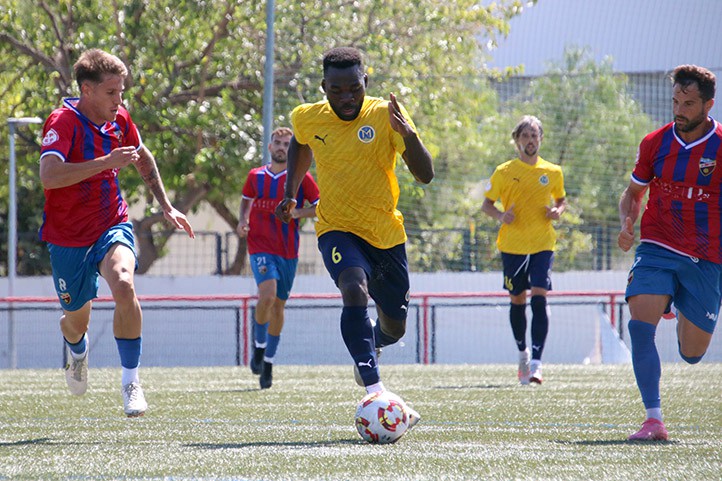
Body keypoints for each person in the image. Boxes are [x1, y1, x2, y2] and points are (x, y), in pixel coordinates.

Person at [275, 46, 434, 426]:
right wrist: (290, 192)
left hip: (385, 234)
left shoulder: (385, 114)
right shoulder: (308, 116)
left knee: (395, 327)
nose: (346, 97)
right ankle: (374, 389)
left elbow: (425, 174)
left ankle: (375, 342)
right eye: (336, 90)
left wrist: (408, 135)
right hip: (337, 228)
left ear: (367, 82)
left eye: (354, 89)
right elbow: (301, 141)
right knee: (353, 289)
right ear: (324, 87)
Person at [38, 49, 195, 417]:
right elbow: (49, 176)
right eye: (112, 93)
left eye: (121, 92)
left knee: (124, 283)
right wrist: (105, 163)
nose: (119, 100)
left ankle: (131, 382)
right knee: (75, 322)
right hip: (67, 237)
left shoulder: (119, 118)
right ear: (87, 90)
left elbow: (142, 156)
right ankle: (77, 349)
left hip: (112, 223)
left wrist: (166, 205)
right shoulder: (62, 123)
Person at [618, 64, 721, 442]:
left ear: (708, 104)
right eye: (675, 100)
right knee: (639, 323)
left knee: (692, 353)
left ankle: (676, 303)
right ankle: (653, 419)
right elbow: (633, 194)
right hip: (657, 246)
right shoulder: (655, 143)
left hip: (706, 257)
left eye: (688, 103)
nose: (679, 109)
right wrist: (627, 223)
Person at [481, 115, 566, 385]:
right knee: (517, 299)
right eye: (525, 136)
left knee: (540, 297)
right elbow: (487, 205)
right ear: (517, 140)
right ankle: (523, 356)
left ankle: (538, 365)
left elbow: (561, 199)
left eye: (535, 135)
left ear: (540, 139)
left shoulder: (552, 171)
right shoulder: (504, 171)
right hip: (513, 246)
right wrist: (501, 216)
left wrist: (557, 211)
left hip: (542, 244)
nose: (530, 140)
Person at [237, 127, 319, 389]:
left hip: (288, 251)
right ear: (270, 147)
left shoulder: (301, 178)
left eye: (287, 144)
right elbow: (245, 199)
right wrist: (242, 220)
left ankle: (268, 361)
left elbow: (320, 205)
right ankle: (259, 347)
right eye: (278, 143)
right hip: (260, 247)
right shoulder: (255, 176)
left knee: (279, 307)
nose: (282, 147)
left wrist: (299, 214)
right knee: (267, 296)